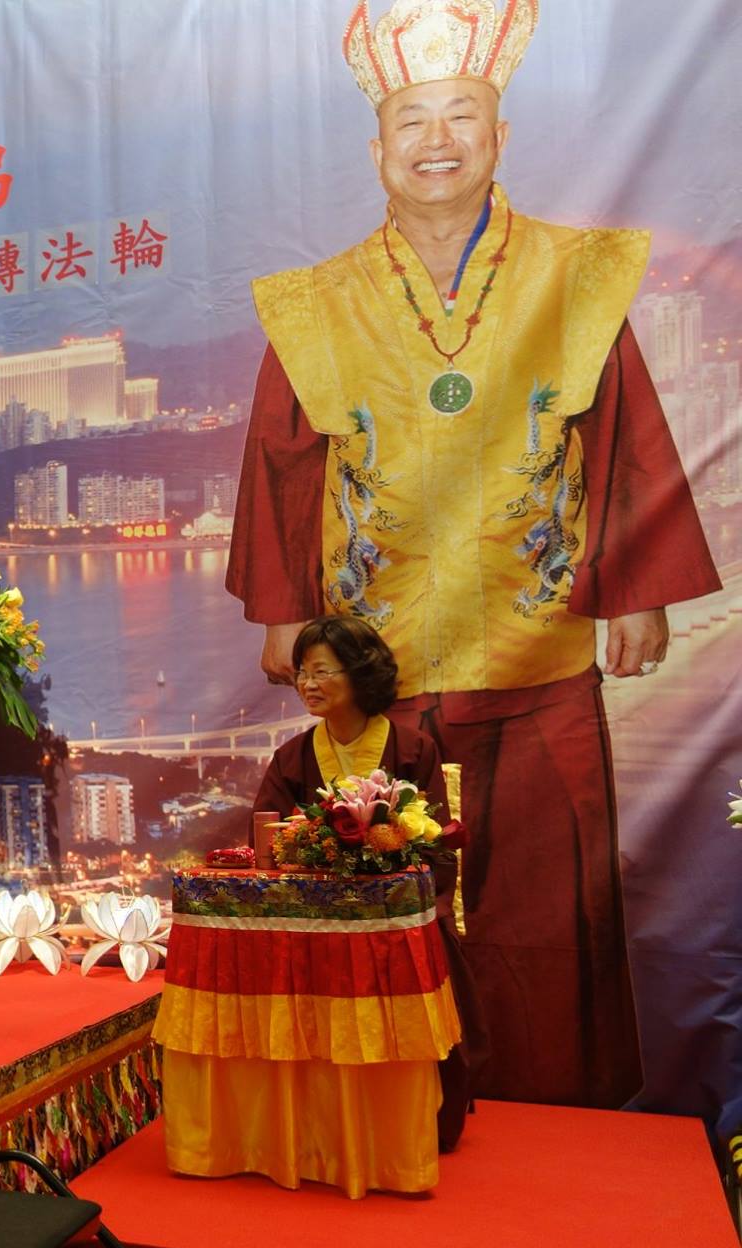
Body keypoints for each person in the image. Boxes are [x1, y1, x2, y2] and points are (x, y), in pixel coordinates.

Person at [227, 0, 721, 1109]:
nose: (436, 140)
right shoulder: (316, 305)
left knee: (551, 914)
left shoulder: (574, 276)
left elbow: (622, 436)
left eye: (460, 115)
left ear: (498, 135)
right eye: (412, 119)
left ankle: (559, 1129)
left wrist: (636, 592)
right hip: (375, 665)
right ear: (378, 148)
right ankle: (396, 1117)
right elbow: (284, 461)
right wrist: (281, 611)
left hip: (536, 655)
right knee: (382, 910)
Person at [253, 615, 484, 1151]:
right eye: (302, 673)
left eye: (322, 671)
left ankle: (410, 1119)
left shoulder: (413, 749)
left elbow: (438, 845)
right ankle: (318, 1122)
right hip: (315, 924)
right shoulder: (292, 757)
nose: (307, 684)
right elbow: (267, 842)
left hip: (396, 924)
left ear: (360, 673)